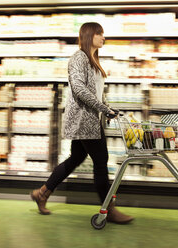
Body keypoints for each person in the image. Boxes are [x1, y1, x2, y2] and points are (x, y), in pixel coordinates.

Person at [30, 22, 133, 224]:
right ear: (89, 35)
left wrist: (108, 108)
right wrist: (104, 109)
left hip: (91, 119)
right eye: (100, 34)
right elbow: (79, 89)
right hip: (82, 120)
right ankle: (108, 210)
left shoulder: (93, 59)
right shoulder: (79, 58)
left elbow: (95, 91)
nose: (103, 37)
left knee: (76, 158)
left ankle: (42, 193)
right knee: (101, 160)